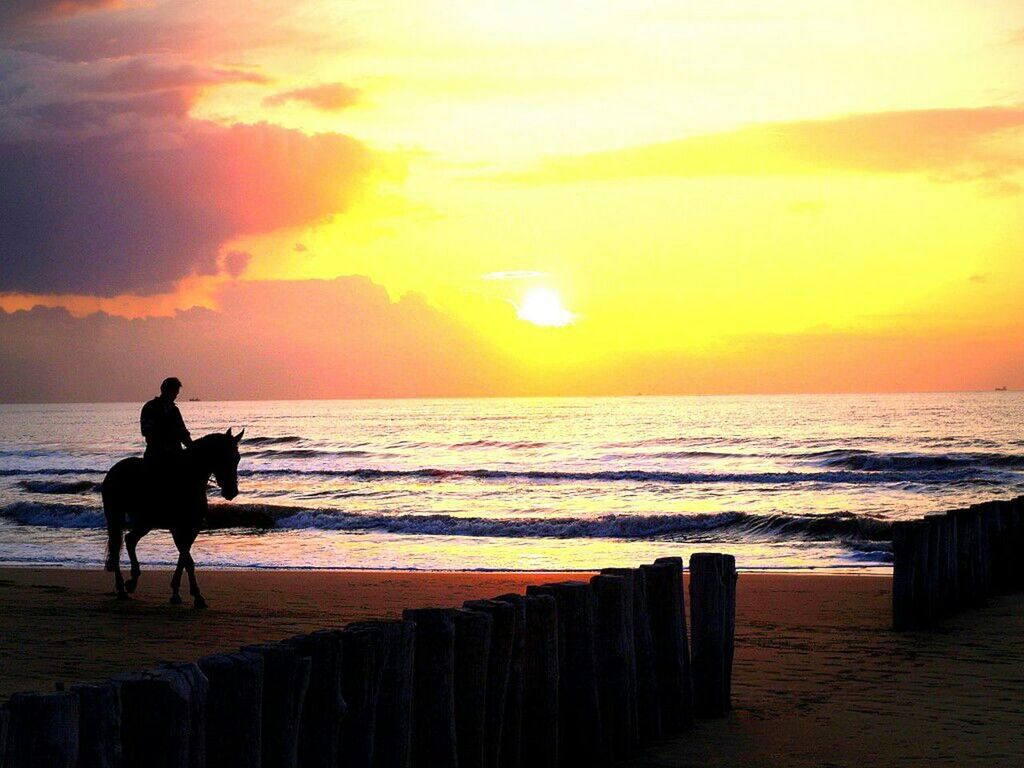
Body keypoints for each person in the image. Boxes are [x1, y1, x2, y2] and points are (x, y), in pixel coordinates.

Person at [140, 377, 192, 469]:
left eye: (176, 393)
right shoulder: (150, 407)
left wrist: (193, 448)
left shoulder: (174, 410)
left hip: (176, 454)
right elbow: (146, 431)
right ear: (164, 390)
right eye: (174, 392)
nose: (175, 396)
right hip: (156, 455)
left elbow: (183, 432)